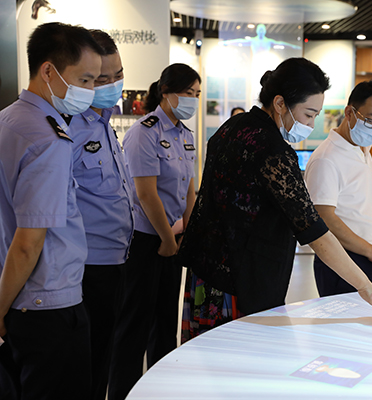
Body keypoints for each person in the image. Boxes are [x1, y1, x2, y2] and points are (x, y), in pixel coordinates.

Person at [178, 58, 372, 341]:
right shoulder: (274, 152)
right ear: (280, 103)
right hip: (242, 281)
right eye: (308, 114)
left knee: (208, 355)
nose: (311, 124)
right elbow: (315, 230)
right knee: (241, 356)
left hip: (206, 273)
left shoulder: (231, 127)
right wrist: (366, 288)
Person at [0, 22, 103, 399]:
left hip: (19, 300)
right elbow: (29, 242)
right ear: (48, 70)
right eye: (85, 80)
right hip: (48, 305)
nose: (90, 91)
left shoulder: (9, 120)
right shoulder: (49, 139)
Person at [108, 63, 200, 400]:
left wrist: (187, 232)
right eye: (187, 93)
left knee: (165, 321)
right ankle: (123, 392)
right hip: (146, 239)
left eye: (197, 94)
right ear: (166, 92)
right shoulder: (144, 132)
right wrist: (165, 239)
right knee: (135, 322)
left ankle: (161, 390)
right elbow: (145, 194)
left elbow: (189, 190)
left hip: (173, 239)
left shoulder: (186, 135)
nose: (192, 100)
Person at [68, 29, 134, 400]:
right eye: (102, 79)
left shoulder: (104, 122)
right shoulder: (71, 126)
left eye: (118, 75)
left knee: (104, 356)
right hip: (87, 266)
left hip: (116, 259)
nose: (113, 85)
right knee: (87, 366)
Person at [305, 80, 372, 297]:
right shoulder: (327, 158)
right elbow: (324, 218)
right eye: (370, 120)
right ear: (349, 113)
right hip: (345, 259)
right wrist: (371, 251)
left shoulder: (362, 147)